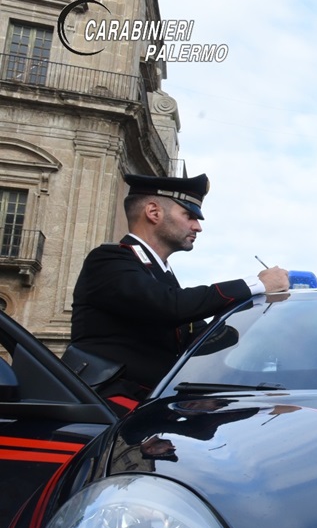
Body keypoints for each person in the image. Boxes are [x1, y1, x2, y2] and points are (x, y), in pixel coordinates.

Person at [69, 172, 289, 414]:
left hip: (148, 399)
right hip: (104, 404)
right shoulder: (109, 260)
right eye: (189, 215)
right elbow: (170, 306)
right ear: (153, 213)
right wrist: (256, 284)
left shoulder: (160, 274)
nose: (198, 227)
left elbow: (201, 335)